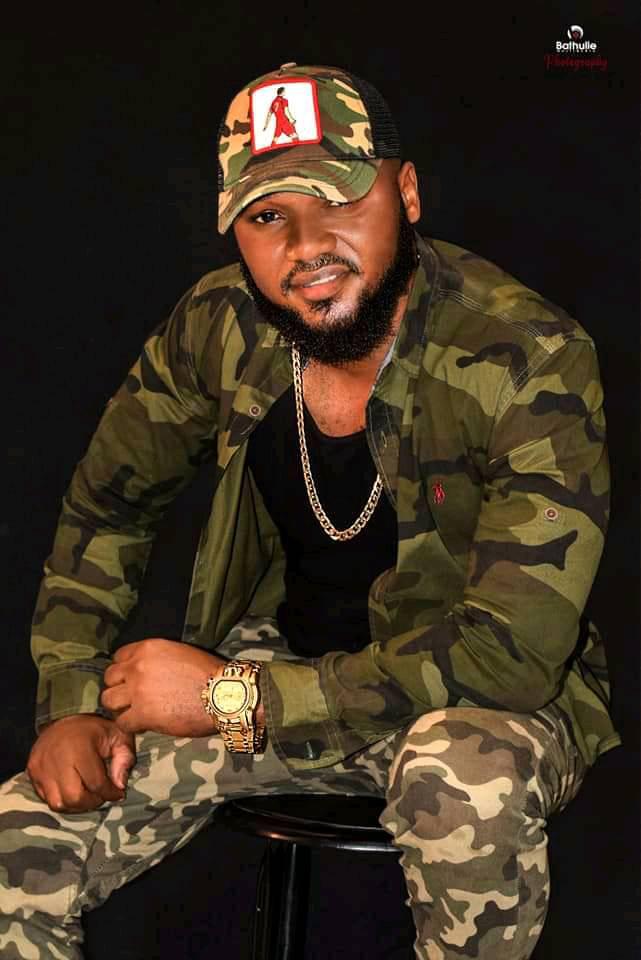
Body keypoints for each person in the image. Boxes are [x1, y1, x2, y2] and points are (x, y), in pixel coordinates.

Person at [0, 63, 620, 960]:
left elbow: (511, 656)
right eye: (267, 216)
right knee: (18, 839)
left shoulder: (527, 356)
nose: (307, 246)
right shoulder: (220, 324)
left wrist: (230, 696)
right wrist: (67, 700)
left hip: (477, 704)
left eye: (338, 201)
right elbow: (108, 504)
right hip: (285, 670)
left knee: (459, 779)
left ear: (406, 195)